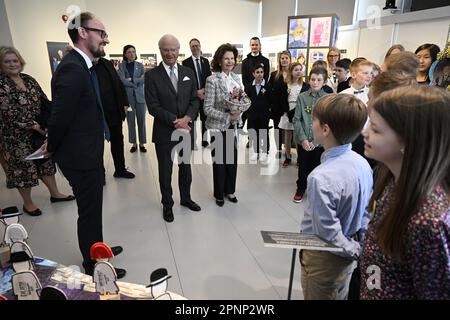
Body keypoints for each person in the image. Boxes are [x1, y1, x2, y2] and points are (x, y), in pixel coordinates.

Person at [46, 12, 126, 278]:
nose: (106, 39)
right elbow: (60, 116)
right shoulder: (72, 67)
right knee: (89, 212)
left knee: (93, 209)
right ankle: (94, 265)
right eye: (101, 33)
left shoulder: (83, 66)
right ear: (82, 32)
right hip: (79, 156)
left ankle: (98, 249)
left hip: (87, 151)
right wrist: (51, 146)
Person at [360, 86, 450, 299]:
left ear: (409, 140)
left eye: (375, 129)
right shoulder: (392, 180)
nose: (364, 133)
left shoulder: (429, 223)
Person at [300, 93, 372, 300]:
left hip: (325, 259)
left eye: (313, 120)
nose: (311, 124)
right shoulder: (362, 163)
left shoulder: (320, 178)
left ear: (325, 129)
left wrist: (355, 250)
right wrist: (360, 246)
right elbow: (367, 211)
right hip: (349, 251)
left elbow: (328, 233)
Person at [0, 46, 74, 217]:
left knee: (46, 163)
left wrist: (49, 121)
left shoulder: (29, 79)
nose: (12, 64)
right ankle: (28, 203)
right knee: (23, 169)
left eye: (15, 60)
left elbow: (44, 101)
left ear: (20, 61)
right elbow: (7, 112)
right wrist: (33, 126)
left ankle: (55, 194)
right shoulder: (2, 84)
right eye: (7, 61)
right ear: (1, 64)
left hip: (39, 132)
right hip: (15, 136)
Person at [145, 34, 201, 223]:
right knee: (165, 171)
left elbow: (194, 99)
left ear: (179, 50)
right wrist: (175, 120)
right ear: (160, 50)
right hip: (164, 131)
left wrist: (187, 118)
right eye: (165, 50)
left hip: (186, 129)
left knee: (185, 168)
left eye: (173, 50)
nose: (170, 53)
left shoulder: (188, 72)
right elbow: (152, 106)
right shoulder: (152, 76)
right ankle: (167, 204)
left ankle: (185, 199)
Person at [204, 43, 243, 207]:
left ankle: (230, 191)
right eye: (226, 58)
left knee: (232, 160)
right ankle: (219, 193)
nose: (229, 61)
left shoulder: (236, 78)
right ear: (219, 61)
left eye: (232, 58)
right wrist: (228, 116)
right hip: (218, 126)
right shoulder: (212, 80)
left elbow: (242, 100)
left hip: (233, 127)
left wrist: (241, 111)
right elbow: (207, 108)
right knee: (220, 162)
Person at [93, 55, 135, 179]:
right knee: (96, 144)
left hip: (113, 111)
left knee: (117, 141)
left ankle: (120, 169)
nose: (105, 41)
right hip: (95, 113)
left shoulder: (106, 63)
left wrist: (125, 102)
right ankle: (99, 175)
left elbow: (118, 83)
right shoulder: (82, 65)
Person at [292, 66, 327, 203]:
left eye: (319, 80)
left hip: (319, 142)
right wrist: (304, 139)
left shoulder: (327, 98)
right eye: (313, 79)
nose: (315, 82)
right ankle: (301, 188)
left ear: (324, 82)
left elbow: (328, 122)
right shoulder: (302, 97)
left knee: (317, 166)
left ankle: (315, 190)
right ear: (309, 80)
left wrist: (316, 141)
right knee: (303, 166)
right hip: (304, 141)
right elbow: (296, 119)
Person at [182, 38, 212, 148]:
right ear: (190, 48)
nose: (195, 48)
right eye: (193, 46)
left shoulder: (205, 61)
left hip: (204, 96)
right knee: (193, 120)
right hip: (193, 97)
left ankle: (204, 140)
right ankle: (192, 142)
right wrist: (195, 92)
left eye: (197, 45)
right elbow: (185, 81)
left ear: (200, 46)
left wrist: (203, 90)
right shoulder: (185, 63)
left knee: (205, 119)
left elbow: (209, 78)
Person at [340, 59, 373, 158]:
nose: (369, 75)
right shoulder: (343, 94)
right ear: (353, 75)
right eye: (365, 73)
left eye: (371, 73)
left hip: (367, 135)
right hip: (349, 135)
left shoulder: (372, 94)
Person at [279, 62, 309, 168]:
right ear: (291, 71)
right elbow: (282, 99)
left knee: (298, 136)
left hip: (299, 112)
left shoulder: (305, 85)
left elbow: (306, 101)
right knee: (287, 136)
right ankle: (287, 156)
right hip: (287, 112)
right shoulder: (285, 84)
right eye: (296, 70)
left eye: (300, 69)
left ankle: (300, 158)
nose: (298, 72)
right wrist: (287, 112)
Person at [119, 45, 147, 153]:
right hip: (128, 99)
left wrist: (131, 79)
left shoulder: (140, 65)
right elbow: (122, 80)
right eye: (129, 52)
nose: (131, 54)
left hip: (140, 98)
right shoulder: (122, 66)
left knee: (141, 121)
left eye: (133, 52)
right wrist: (136, 81)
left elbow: (143, 79)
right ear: (125, 54)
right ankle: (134, 143)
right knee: (130, 122)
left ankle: (142, 143)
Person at [245, 64, 272, 163]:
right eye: (257, 72)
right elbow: (246, 100)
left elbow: (270, 100)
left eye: (261, 72)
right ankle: (256, 151)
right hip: (252, 114)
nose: (260, 74)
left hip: (264, 114)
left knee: (263, 132)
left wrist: (269, 112)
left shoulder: (267, 86)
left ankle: (265, 152)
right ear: (253, 74)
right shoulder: (249, 87)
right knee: (254, 133)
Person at [268, 50, 291, 159]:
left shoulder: (294, 73)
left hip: (290, 106)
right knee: (277, 129)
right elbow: (269, 90)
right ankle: (278, 149)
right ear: (279, 60)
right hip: (277, 107)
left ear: (290, 59)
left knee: (289, 130)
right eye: (282, 58)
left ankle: (288, 151)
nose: (284, 60)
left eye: (286, 58)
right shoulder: (274, 75)